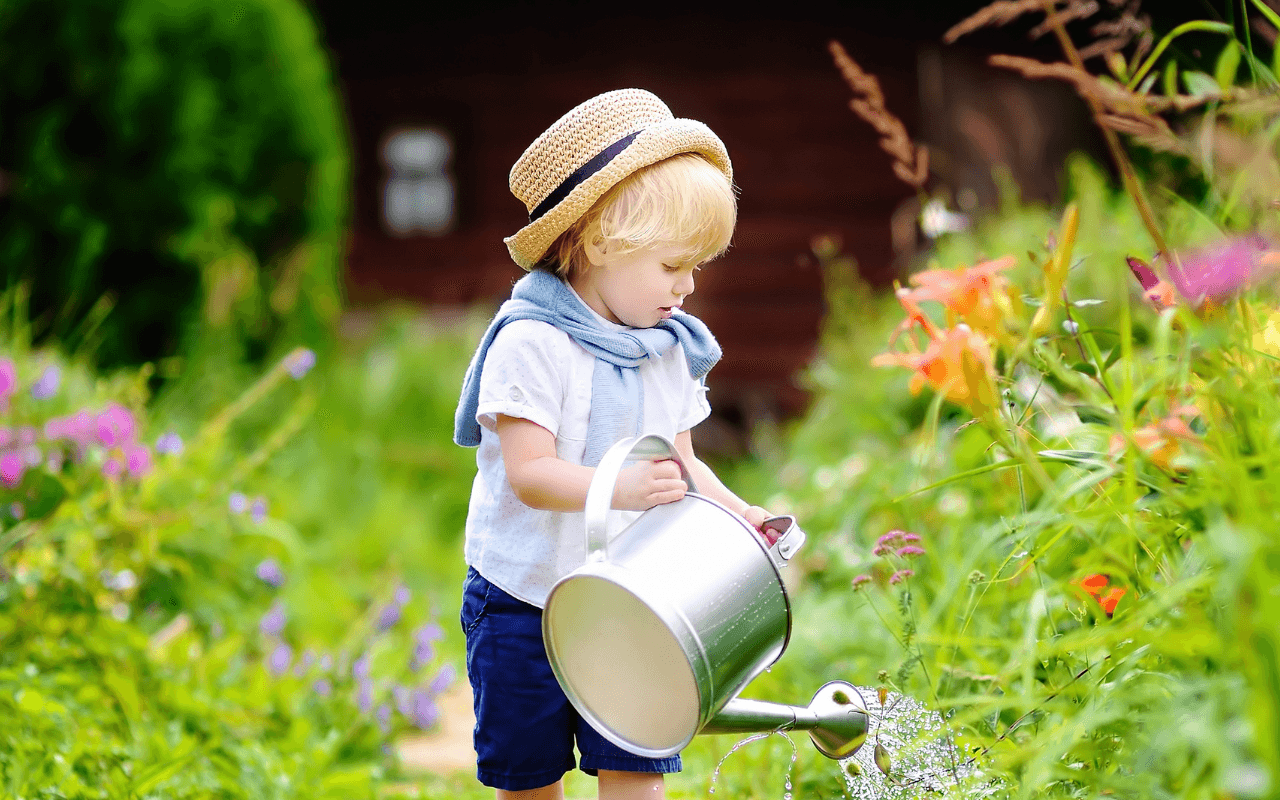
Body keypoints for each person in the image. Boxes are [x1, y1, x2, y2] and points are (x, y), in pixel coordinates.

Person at [453, 88, 776, 800]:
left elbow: (684, 465)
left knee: (635, 764)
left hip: (634, 601)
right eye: (672, 266)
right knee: (529, 774)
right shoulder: (533, 343)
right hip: (523, 600)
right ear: (602, 243)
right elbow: (531, 474)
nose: (688, 287)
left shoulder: (667, 350)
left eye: (698, 266)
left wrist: (740, 516)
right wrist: (620, 486)